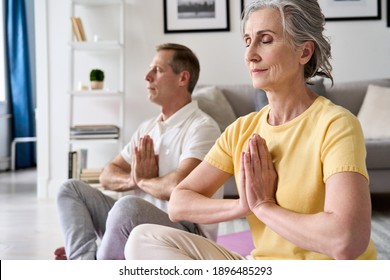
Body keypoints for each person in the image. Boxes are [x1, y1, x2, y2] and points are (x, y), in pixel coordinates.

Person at [124, 0, 377, 260]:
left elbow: (347, 240)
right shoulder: (242, 130)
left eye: (265, 40)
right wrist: (243, 205)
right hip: (259, 267)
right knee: (142, 239)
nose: (250, 54)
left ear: (304, 52)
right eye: (247, 41)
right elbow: (179, 203)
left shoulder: (336, 124)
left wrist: (263, 206)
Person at [54, 43, 222, 260]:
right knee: (70, 189)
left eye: (158, 70)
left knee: (127, 206)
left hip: (185, 234)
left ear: (183, 79)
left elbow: (178, 186)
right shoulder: (148, 127)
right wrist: (135, 180)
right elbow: (107, 174)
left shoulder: (203, 127)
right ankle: (86, 263)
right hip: (134, 225)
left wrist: (143, 181)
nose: (147, 77)